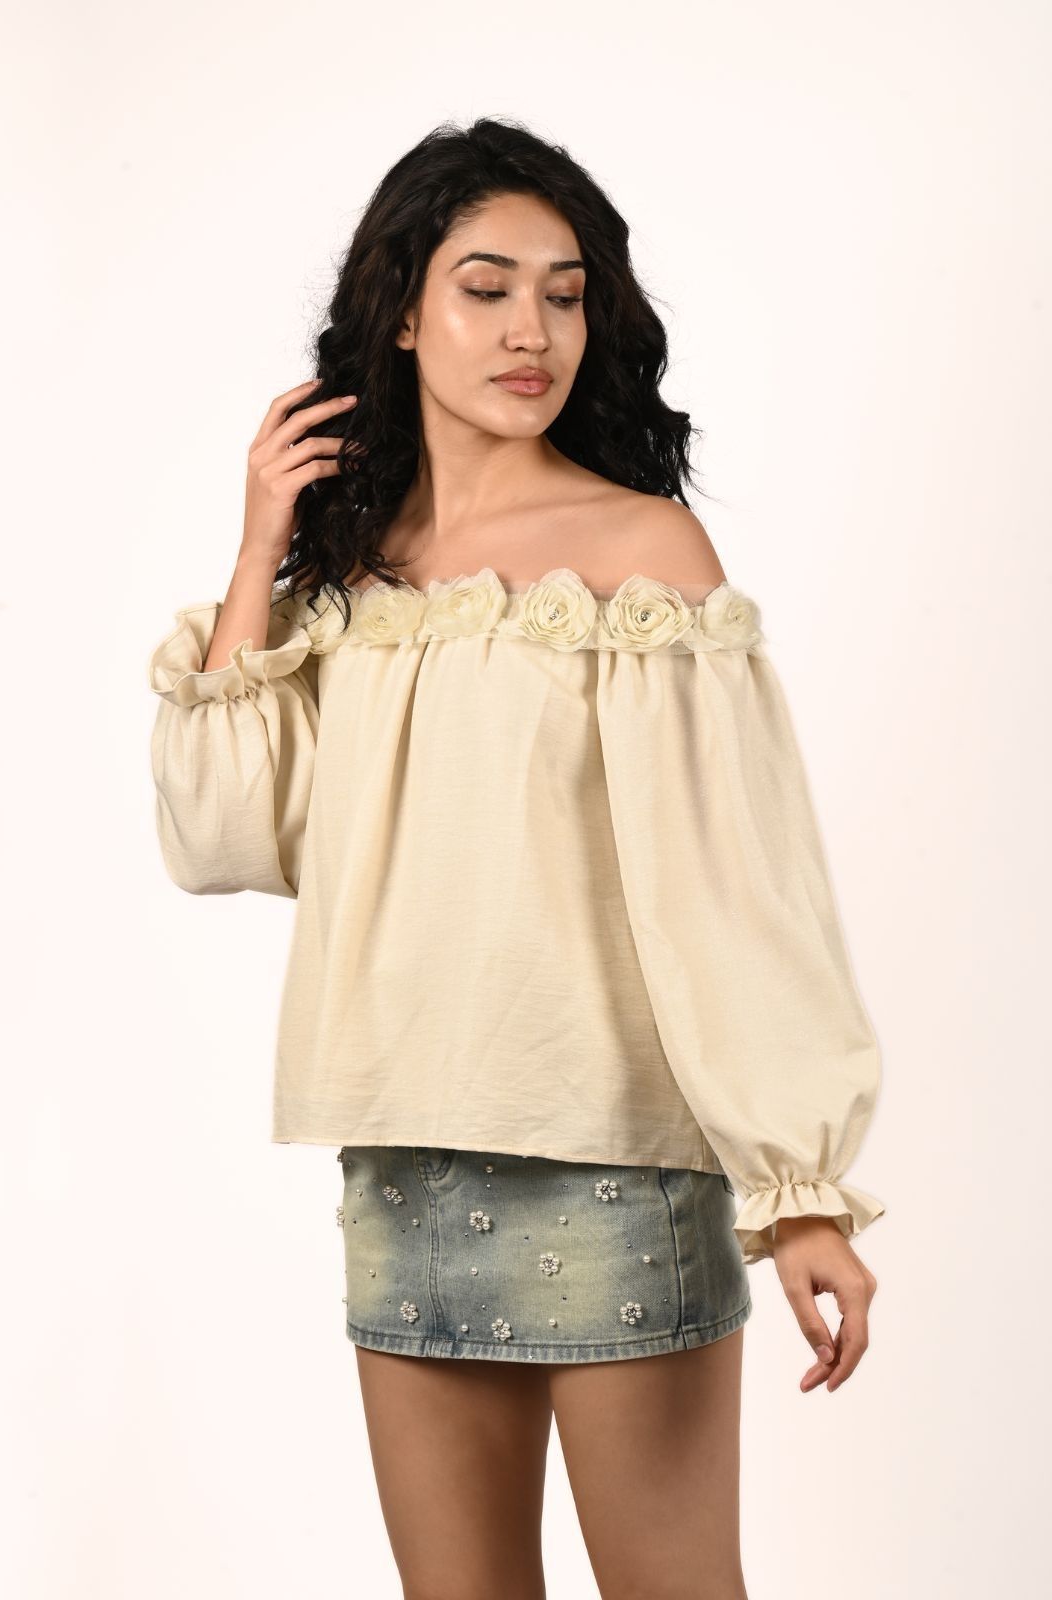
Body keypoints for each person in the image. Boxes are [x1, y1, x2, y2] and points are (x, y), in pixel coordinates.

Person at [145, 118, 884, 1599]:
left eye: (564, 293)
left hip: (613, 1159)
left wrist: (799, 1182)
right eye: (486, 288)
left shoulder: (643, 554)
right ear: (402, 313)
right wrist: (260, 545)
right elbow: (223, 837)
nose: (531, 329)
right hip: (403, 1157)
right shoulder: (349, 575)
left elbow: (734, 887)